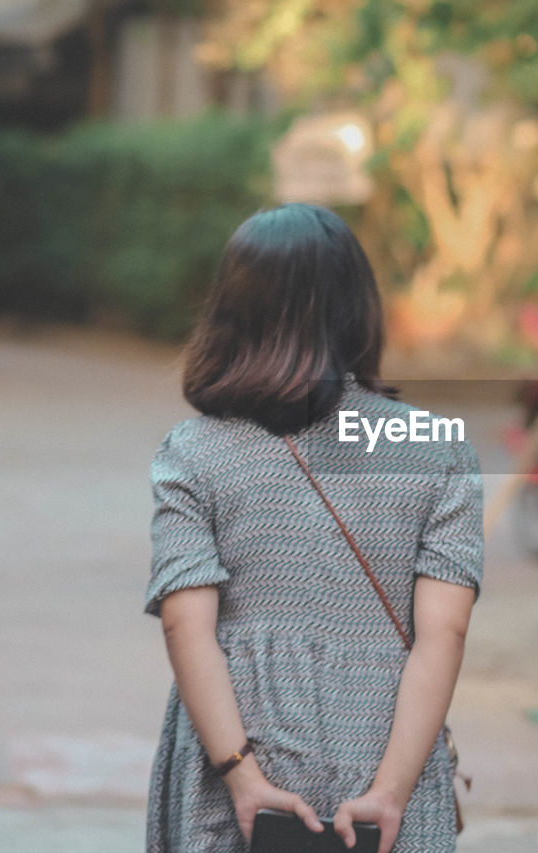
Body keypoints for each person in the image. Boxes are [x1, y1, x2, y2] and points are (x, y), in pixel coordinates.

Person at [144, 203, 483, 853]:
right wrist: (390, 790)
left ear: (231, 313)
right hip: (384, 748)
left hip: (239, 743)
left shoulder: (191, 452)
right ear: (357, 309)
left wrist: (243, 778)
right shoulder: (439, 449)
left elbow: (184, 622)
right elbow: (446, 631)